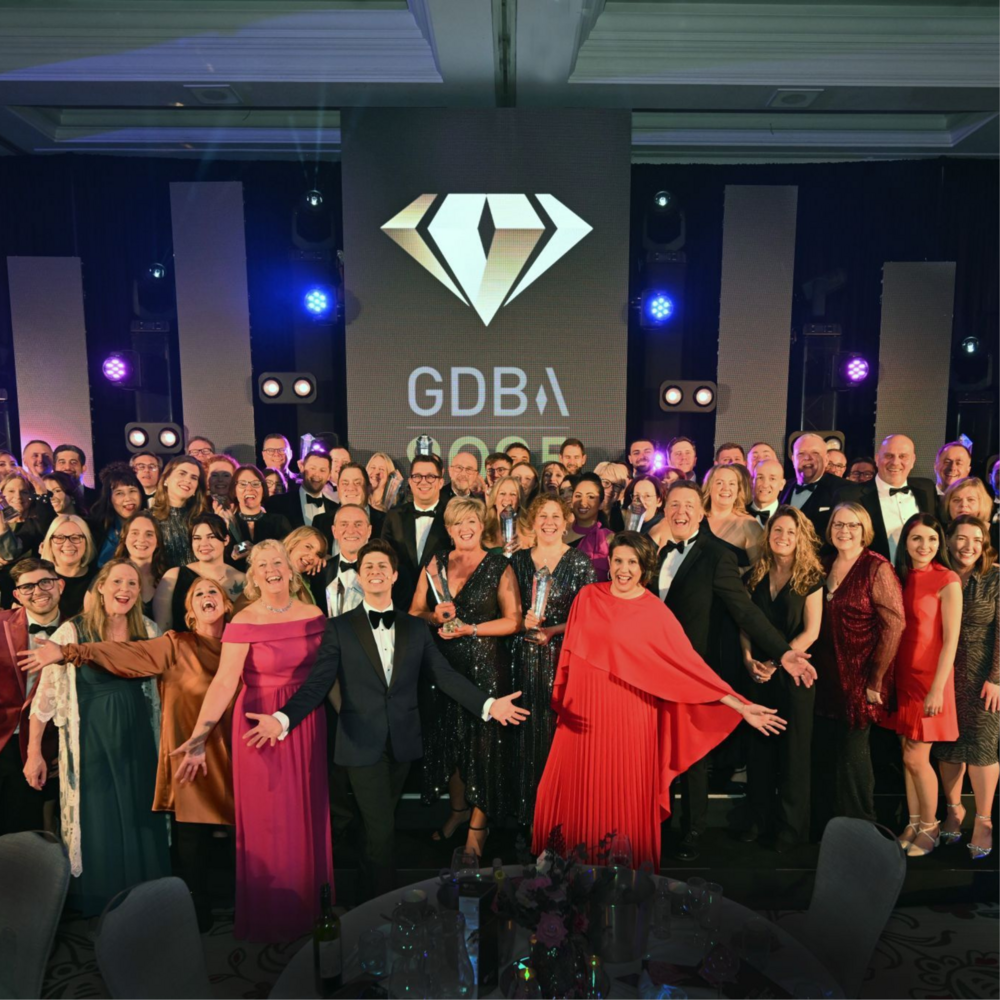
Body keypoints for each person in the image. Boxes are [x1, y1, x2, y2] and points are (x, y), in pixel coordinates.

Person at [239, 539, 527, 900]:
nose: (375, 572)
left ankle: (363, 898)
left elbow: (444, 675)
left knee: (375, 828)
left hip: (402, 743)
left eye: (381, 567)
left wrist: (488, 705)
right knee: (382, 833)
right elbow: (317, 685)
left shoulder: (415, 628)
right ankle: (384, 913)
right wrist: (282, 720)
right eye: (368, 567)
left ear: (393, 576)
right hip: (360, 744)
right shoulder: (338, 628)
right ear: (359, 578)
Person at [532, 532, 786, 870]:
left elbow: (689, 668)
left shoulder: (655, 611)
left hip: (631, 718)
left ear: (644, 568)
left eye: (632, 563)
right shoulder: (588, 597)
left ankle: (619, 876)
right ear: (609, 563)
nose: (624, 570)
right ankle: (567, 871)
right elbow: (583, 630)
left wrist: (740, 706)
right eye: (618, 561)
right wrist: (551, 631)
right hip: (584, 712)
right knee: (572, 786)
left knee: (621, 792)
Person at [21, 576, 235, 930]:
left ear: (227, 603)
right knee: (183, 828)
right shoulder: (173, 642)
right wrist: (69, 652)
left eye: (213, 591)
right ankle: (180, 907)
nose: (206, 596)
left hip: (209, 741)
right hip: (146, 741)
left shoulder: (160, 629)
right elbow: (125, 657)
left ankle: (249, 899)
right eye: (198, 593)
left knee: (234, 827)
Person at [171, 539, 331, 942]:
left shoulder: (314, 615)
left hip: (305, 722)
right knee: (268, 820)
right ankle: (270, 914)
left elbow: (326, 678)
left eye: (278, 562)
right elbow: (225, 682)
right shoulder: (243, 620)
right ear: (254, 577)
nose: (272, 569)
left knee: (305, 813)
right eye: (263, 565)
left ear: (291, 571)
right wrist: (199, 737)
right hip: (257, 727)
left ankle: (307, 909)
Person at [654, 481, 814, 860]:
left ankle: (693, 829)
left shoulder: (717, 555)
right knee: (658, 750)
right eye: (674, 504)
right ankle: (657, 825)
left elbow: (745, 611)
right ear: (665, 509)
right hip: (656, 668)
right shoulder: (657, 553)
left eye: (689, 505)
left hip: (694, 669)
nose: (681, 512)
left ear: (702, 512)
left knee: (692, 752)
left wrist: (783, 652)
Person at [24, 559, 169, 913]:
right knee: (99, 817)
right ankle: (104, 905)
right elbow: (44, 701)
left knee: (140, 814)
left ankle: (145, 900)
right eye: (117, 581)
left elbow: (161, 693)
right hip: (91, 739)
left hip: (139, 739)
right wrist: (33, 753)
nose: (125, 589)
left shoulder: (149, 630)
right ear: (100, 587)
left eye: (132, 584)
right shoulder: (71, 632)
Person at [409, 499, 522, 857]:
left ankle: (478, 827)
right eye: (458, 523)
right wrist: (434, 618)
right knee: (451, 743)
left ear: (481, 524)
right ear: (448, 528)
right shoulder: (435, 563)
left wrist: (470, 629)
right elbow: (414, 612)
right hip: (443, 668)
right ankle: (458, 811)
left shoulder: (498, 564)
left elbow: (513, 621)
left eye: (471, 521)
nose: (465, 528)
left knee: (483, 748)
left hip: (485, 666)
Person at [812, 502, 905, 827]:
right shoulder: (824, 564)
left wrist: (876, 679)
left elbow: (895, 625)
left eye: (853, 525)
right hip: (823, 675)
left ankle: (861, 827)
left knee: (854, 760)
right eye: (839, 524)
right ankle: (830, 827)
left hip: (859, 677)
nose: (845, 531)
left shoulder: (876, 567)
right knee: (828, 755)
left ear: (865, 530)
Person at [740, 507, 824, 850]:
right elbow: (745, 623)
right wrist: (747, 659)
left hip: (795, 676)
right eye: (778, 530)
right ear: (768, 534)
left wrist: (777, 661)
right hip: (758, 675)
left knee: (794, 754)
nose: (783, 537)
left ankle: (790, 830)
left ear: (800, 537)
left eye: (790, 532)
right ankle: (757, 820)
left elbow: (812, 632)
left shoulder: (811, 577)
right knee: (759, 752)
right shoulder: (754, 575)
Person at [510, 496, 596, 827]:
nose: (549, 522)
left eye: (555, 516)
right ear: (532, 522)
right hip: (520, 659)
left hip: (563, 660)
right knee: (523, 739)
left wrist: (552, 631)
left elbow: (589, 617)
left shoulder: (580, 562)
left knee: (555, 738)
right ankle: (526, 821)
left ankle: (558, 820)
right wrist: (521, 622)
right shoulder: (516, 561)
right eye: (542, 516)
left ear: (566, 522)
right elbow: (504, 609)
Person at [884, 514, 960, 857]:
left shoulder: (947, 578)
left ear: (940, 543)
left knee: (916, 757)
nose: (924, 545)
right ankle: (914, 823)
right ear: (906, 542)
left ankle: (931, 826)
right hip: (902, 677)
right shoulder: (899, 576)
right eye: (917, 538)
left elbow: (951, 640)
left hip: (930, 682)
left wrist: (937, 688)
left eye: (931, 539)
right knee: (907, 756)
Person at [934, 516, 998, 861]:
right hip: (943, 676)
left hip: (986, 678)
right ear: (948, 540)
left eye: (976, 539)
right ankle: (954, 809)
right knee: (948, 747)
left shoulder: (995, 578)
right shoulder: (937, 575)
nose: (968, 546)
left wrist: (997, 678)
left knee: (983, 749)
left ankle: (984, 820)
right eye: (961, 538)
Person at [0, 558, 63, 834]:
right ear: (17, 594)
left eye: (45, 582)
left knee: (23, 834)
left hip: (44, 746)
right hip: (3, 735)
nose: (38, 591)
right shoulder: (2, 623)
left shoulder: (80, 630)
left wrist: (63, 749)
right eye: (28, 587)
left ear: (60, 585)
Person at [836, 434, 936, 564]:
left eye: (903, 456)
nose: (895, 462)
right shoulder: (850, 496)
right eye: (889, 456)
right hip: (873, 573)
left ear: (913, 460)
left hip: (923, 574)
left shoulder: (927, 488)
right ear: (877, 459)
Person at [153, 513, 244, 633]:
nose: (204, 544)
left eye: (211, 537)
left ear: (226, 540)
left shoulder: (244, 580)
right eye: (197, 538)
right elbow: (161, 630)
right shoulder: (173, 576)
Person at [380, 454, 449, 610]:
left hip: (441, 606)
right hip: (399, 604)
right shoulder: (394, 516)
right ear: (410, 482)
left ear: (440, 482)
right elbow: (385, 558)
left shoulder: (453, 516)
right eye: (417, 476)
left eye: (430, 477)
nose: (423, 481)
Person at [220, 465, 292, 562]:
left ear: (263, 490)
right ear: (234, 490)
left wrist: (254, 550)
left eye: (255, 484)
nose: (249, 488)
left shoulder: (278, 522)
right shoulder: (228, 524)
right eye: (243, 484)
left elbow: (288, 553)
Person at [149, 456, 209, 568]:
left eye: (194, 478)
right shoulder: (148, 519)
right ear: (166, 479)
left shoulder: (205, 520)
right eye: (182, 473)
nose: (188, 480)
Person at [313, 463, 385, 553]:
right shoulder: (320, 522)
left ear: (368, 488)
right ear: (338, 488)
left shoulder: (385, 521)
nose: (351, 488)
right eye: (345, 483)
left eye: (357, 483)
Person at [780, 433, 841, 538]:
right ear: (793, 459)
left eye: (815, 453)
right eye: (801, 453)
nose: (808, 458)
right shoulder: (781, 487)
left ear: (826, 460)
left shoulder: (841, 490)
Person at [703, 463, 764, 565]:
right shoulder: (696, 520)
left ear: (738, 490)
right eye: (719, 483)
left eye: (731, 484)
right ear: (709, 487)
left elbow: (759, 569)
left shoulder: (749, 525)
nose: (726, 488)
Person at [108, 512, 167, 617]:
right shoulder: (108, 574)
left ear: (158, 542)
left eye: (149, 534)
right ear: (124, 538)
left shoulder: (168, 578)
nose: (141, 539)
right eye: (135, 533)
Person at [38, 515, 98, 618]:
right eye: (59, 538)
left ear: (87, 543)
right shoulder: (35, 578)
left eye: (75, 538)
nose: (68, 544)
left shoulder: (100, 578)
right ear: (50, 543)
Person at [89, 464, 144, 567]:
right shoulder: (96, 529)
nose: (128, 498)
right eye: (119, 493)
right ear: (109, 498)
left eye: (132, 491)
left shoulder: (153, 525)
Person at [324, 505, 372, 618]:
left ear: (369, 531)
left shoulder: (388, 570)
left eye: (358, 524)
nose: (351, 531)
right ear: (334, 531)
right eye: (344, 524)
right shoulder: (321, 572)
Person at [269, 450, 338, 530]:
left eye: (322, 470)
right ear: (302, 468)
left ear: (329, 475)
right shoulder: (278, 503)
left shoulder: (335, 509)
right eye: (312, 468)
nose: (317, 474)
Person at [564, 473, 613, 581]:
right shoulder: (560, 533)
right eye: (578, 496)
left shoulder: (609, 538)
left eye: (591, 497)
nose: (583, 502)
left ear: (601, 504)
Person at [0, 471, 55, 566]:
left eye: (24, 492)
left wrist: (41, 491)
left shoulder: (36, 527)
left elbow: (10, 553)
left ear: (31, 496)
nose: (18, 496)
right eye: (11, 491)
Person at [282, 526, 328, 611]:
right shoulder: (272, 574)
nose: (312, 557)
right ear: (293, 543)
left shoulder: (306, 581)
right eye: (308, 547)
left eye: (318, 554)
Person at [482, 476, 525, 552]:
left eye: (513, 494)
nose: (507, 498)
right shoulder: (482, 530)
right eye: (502, 493)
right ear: (494, 499)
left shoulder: (529, 533)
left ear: (519, 501)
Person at [749, 458, 786, 526]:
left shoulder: (789, 518)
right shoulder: (737, 515)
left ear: (782, 484)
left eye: (772, 479)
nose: (765, 485)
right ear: (751, 482)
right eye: (760, 478)